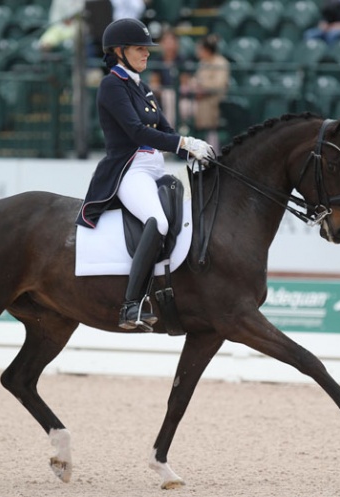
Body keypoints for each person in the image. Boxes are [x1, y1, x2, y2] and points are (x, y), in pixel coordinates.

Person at [75, 18, 214, 331]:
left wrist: (194, 150)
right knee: (159, 221)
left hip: (156, 168)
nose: (147, 54)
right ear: (120, 51)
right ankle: (131, 304)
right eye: (140, 49)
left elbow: (165, 130)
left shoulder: (142, 87)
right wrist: (183, 143)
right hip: (130, 169)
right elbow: (137, 132)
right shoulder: (112, 85)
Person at [180, 34, 230, 152]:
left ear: (207, 49)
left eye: (200, 49)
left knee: (210, 128)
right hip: (199, 99)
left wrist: (202, 87)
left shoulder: (221, 62)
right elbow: (196, 80)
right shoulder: (203, 62)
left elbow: (219, 84)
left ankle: (213, 153)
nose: (198, 51)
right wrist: (192, 86)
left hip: (215, 100)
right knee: (181, 107)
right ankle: (185, 147)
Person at [149, 28, 190, 126]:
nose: (169, 45)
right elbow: (154, 82)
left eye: (171, 42)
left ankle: (171, 130)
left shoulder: (181, 60)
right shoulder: (158, 60)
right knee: (167, 95)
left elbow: (185, 83)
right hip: (162, 97)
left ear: (176, 43)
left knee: (171, 96)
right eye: (166, 42)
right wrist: (160, 90)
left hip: (181, 98)